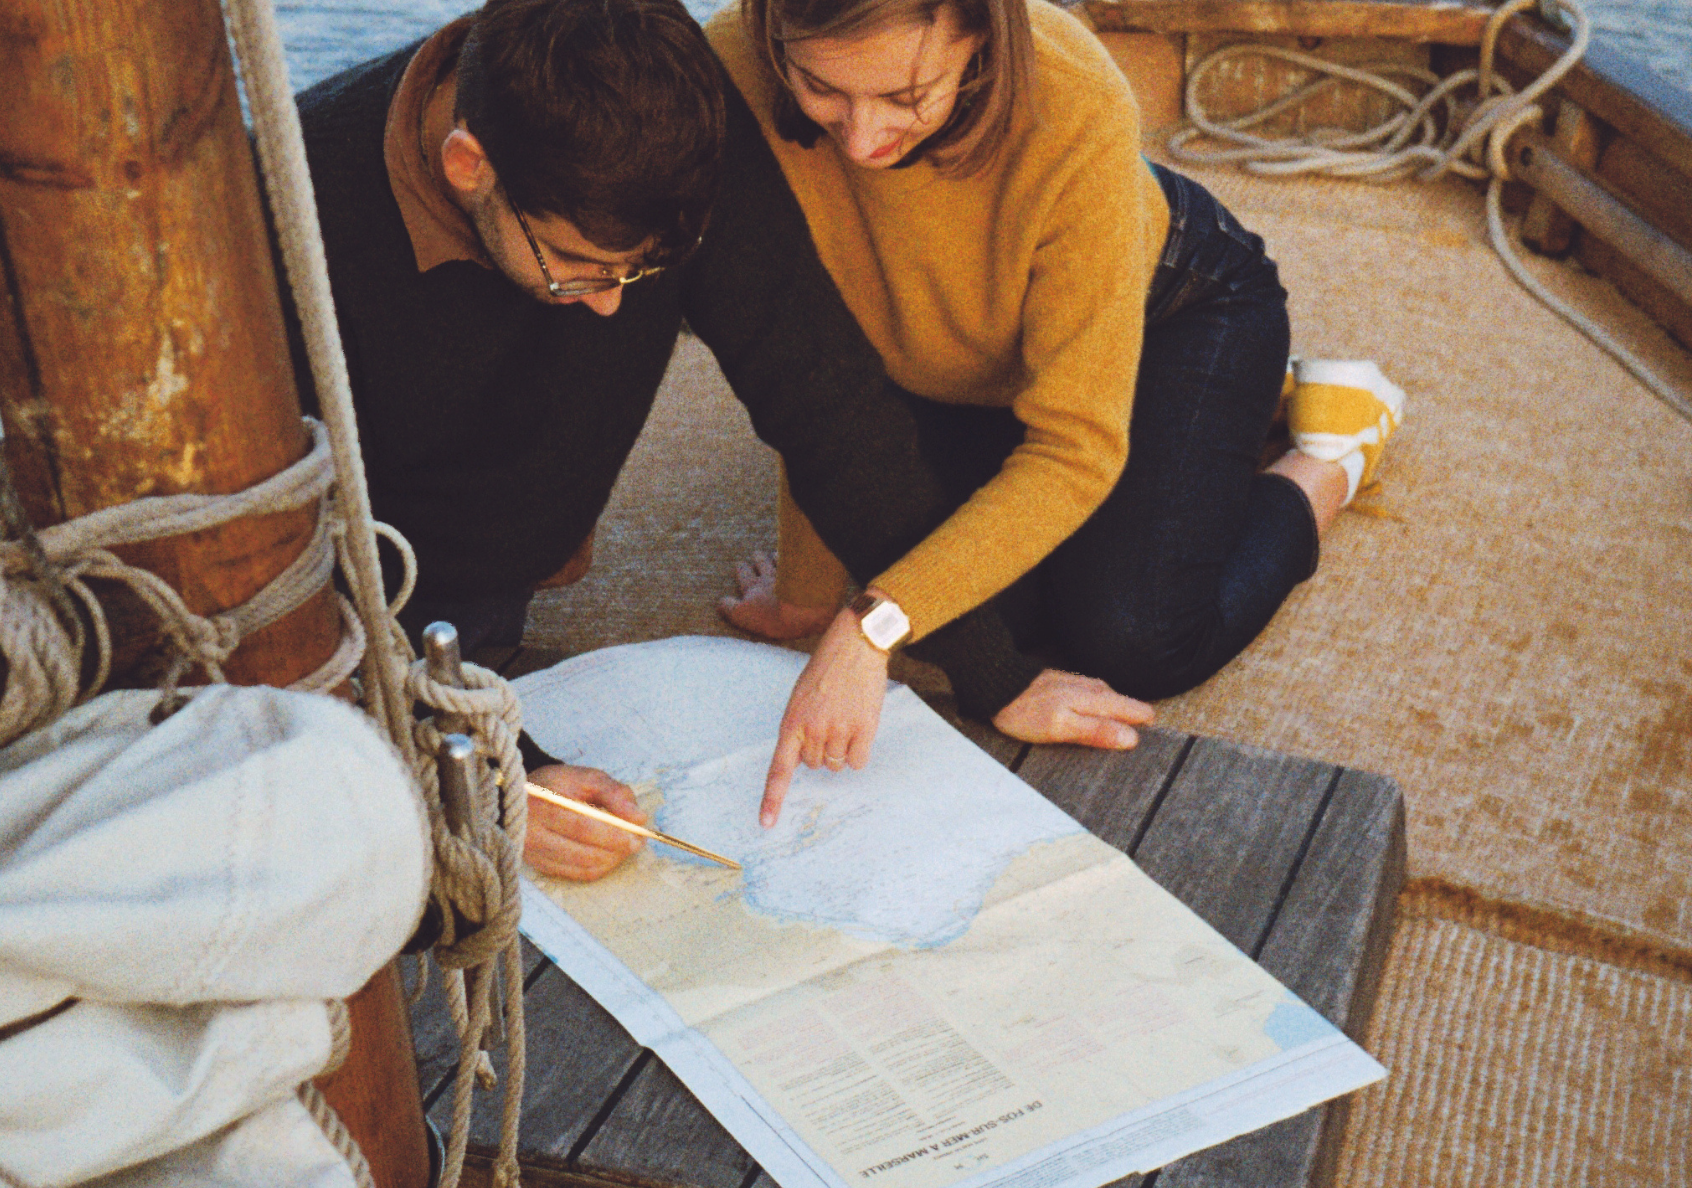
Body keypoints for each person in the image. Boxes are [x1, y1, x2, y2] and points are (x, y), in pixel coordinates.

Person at [288, 0, 1050, 877]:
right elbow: (286, 567)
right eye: (580, 270)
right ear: (470, 166)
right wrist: (499, 774)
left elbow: (819, 389)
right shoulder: (294, 217)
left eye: (643, 272)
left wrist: (996, 670)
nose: (615, 308)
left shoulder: (674, 109)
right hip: (389, 582)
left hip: (518, 555)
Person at [705, 0, 1405, 824]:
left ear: (980, 30)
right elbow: (813, 366)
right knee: (991, 614)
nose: (860, 142)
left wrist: (868, 625)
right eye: (822, 88)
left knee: (1133, 639)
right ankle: (1227, 424)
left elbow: (1073, 450)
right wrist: (808, 594)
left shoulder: (1073, 95)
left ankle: (1329, 448)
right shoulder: (724, 69)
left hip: (1173, 306)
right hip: (959, 361)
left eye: (904, 97)